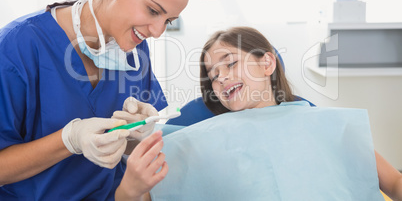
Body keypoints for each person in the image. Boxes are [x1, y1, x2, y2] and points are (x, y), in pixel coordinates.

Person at [0, 0, 191, 200]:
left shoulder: (135, 51)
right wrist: (70, 139)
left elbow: (132, 153)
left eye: (168, 21)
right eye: (152, 10)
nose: (158, 32)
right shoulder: (19, 46)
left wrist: (136, 135)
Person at [116, 26, 402, 200]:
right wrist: (130, 186)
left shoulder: (321, 125)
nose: (221, 78)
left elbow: (394, 182)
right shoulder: (200, 141)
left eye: (230, 64)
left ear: (267, 64)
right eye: (213, 75)